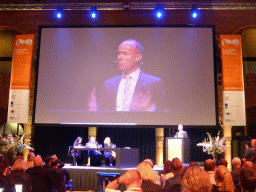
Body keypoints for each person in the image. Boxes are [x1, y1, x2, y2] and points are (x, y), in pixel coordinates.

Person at [98, 39, 168, 112]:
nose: (119, 58)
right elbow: (102, 113)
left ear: (138, 57)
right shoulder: (108, 84)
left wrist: (150, 110)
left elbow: (164, 113)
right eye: (119, 53)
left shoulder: (154, 83)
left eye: (125, 54)